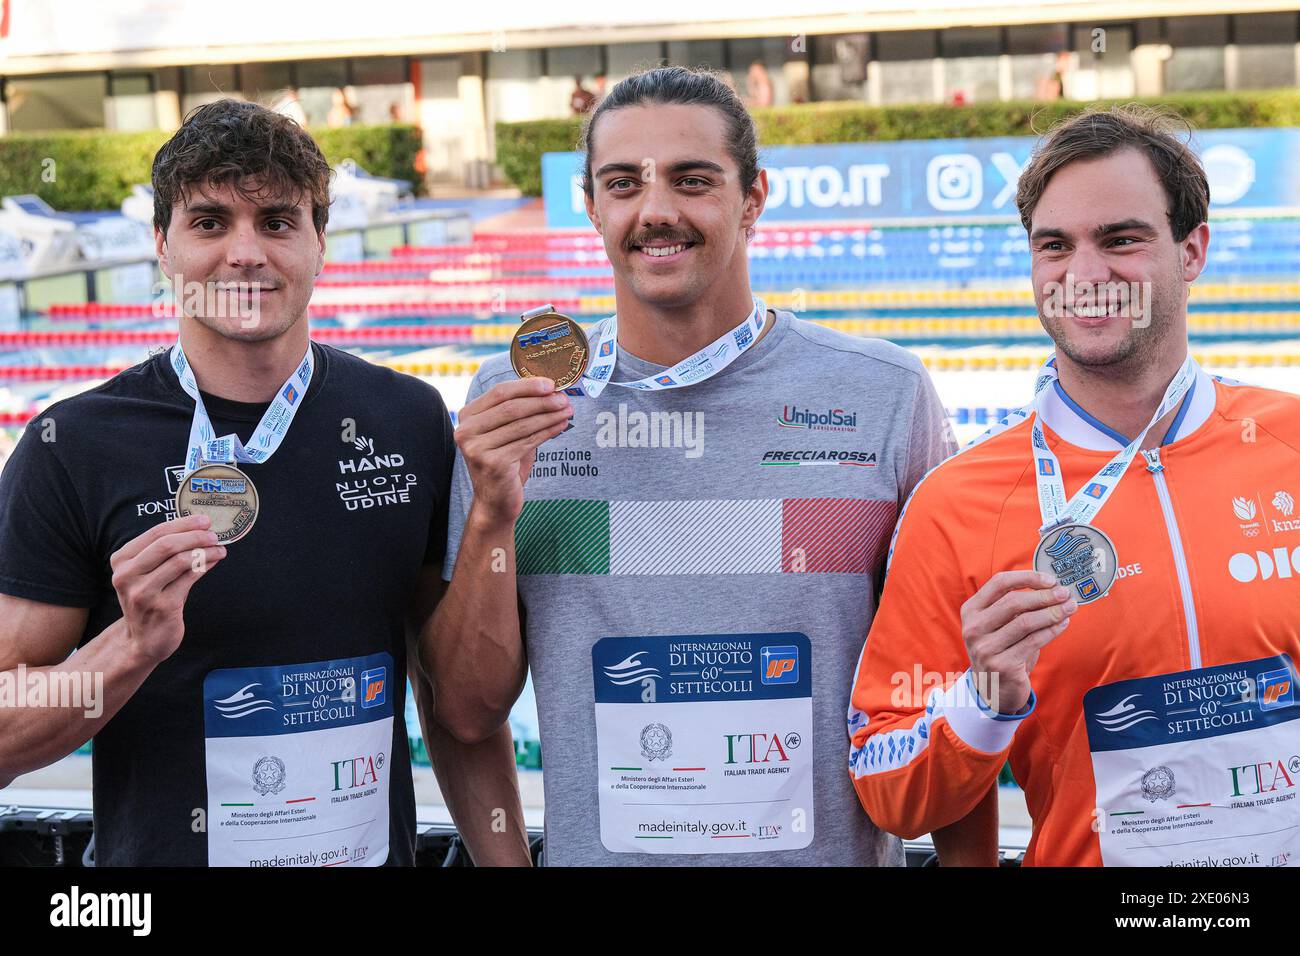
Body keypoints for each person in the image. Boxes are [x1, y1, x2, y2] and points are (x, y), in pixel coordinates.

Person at [424, 66, 970, 866]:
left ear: (753, 198)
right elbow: (468, 711)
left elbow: (951, 687)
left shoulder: (884, 395)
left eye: (692, 180)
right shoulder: (516, 407)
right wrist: (491, 517)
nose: (656, 212)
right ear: (592, 205)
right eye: (623, 183)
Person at [0, 99, 529, 867]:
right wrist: (131, 645)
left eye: (277, 221)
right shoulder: (71, 445)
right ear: (163, 246)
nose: (245, 252)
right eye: (210, 222)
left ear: (321, 244)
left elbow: (456, 704)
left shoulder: (407, 419)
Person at [847, 105, 1300, 867]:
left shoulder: (1289, 446)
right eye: (1054, 245)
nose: (1085, 275)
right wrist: (986, 700)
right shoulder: (958, 504)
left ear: (1192, 252)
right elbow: (888, 787)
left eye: (1121, 238)